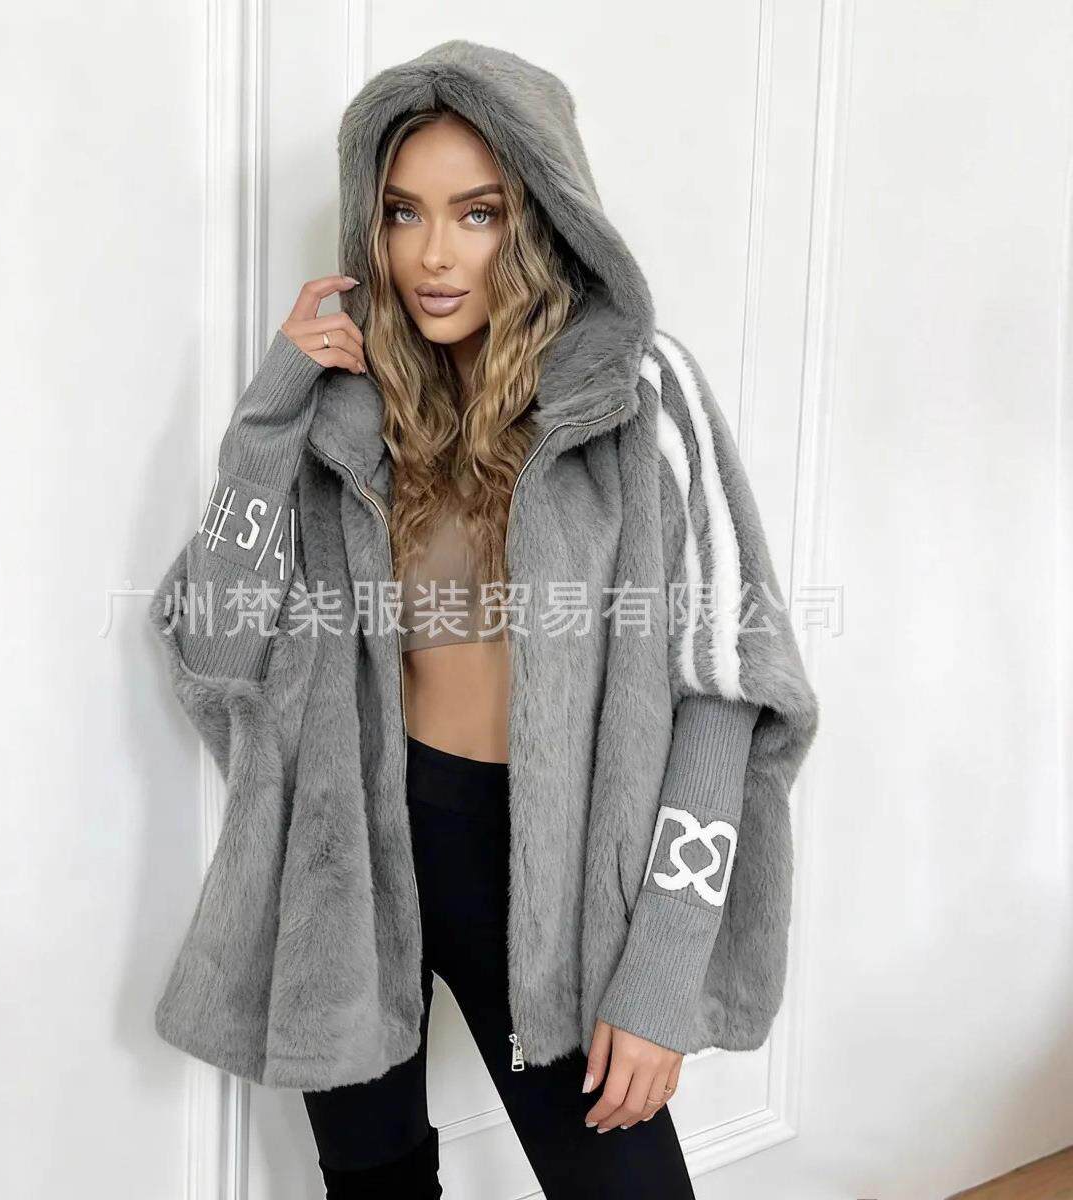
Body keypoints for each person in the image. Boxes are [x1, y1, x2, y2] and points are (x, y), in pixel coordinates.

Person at [147, 39, 819, 1200]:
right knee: (375, 1183)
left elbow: (727, 686)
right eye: (403, 213)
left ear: (544, 218)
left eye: (478, 212)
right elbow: (218, 645)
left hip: (551, 869)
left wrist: (662, 970)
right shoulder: (349, 411)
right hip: (358, 847)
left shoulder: (637, 394)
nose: (434, 254)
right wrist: (267, 420)